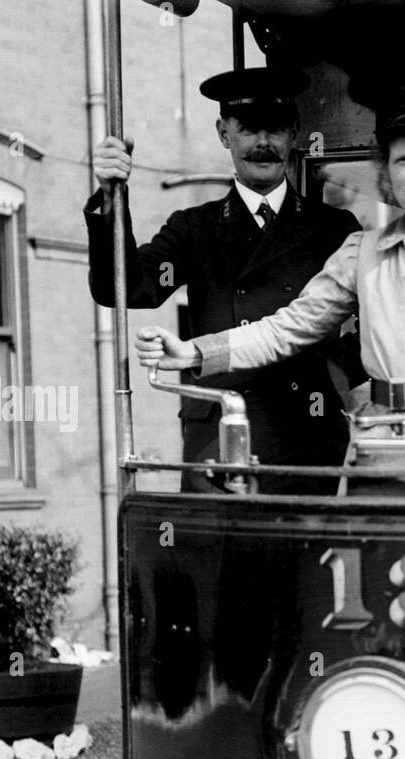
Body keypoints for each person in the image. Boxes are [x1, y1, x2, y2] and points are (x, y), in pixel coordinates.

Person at [134, 88, 405, 441]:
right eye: (403, 161)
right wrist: (194, 350)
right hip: (383, 452)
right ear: (387, 172)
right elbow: (287, 327)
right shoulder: (363, 252)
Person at [86, 66, 361, 492]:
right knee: (220, 556)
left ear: (294, 132)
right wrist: (110, 199)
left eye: (275, 130)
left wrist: (333, 373)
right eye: (248, 129)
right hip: (219, 434)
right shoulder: (195, 228)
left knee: (308, 558)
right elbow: (123, 286)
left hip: (306, 430)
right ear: (223, 133)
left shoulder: (334, 228)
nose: (263, 144)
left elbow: (379, 324)